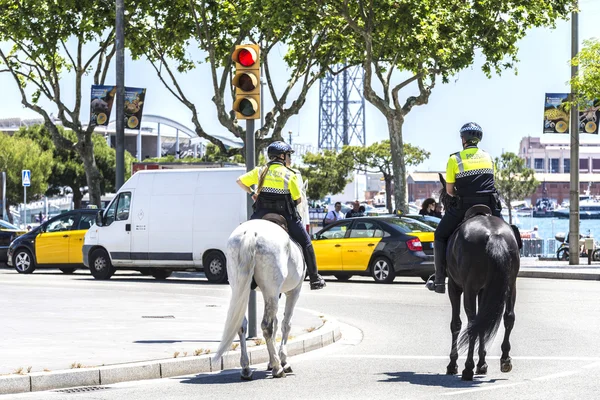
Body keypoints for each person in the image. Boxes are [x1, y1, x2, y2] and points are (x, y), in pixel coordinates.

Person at [236, 141, 326, 290]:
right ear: (282, 156)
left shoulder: (260, 171)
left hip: (260, 214)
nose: (290, 159)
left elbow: (239, 181)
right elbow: (298, 199)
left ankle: (249, 276)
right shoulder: (290, 174)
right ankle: (315, 278)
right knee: (306, 243)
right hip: (285, 215)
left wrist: (253, 193)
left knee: (245, 238)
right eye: (289, 155)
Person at [427, 122, 503, 294]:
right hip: (491, 204)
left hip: (465, 205)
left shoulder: (455, 159)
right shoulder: (489, 157)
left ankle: (439, 280)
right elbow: (492, 181)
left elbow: (449, 191)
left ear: (463, 139)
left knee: (439, 235)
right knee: (508, 232)